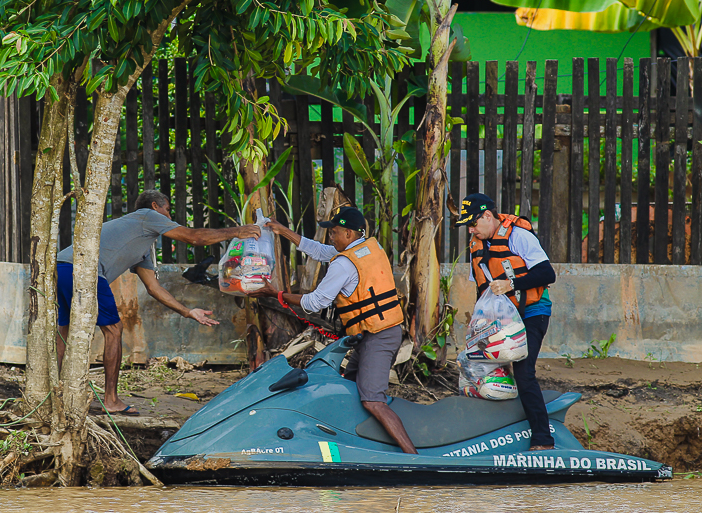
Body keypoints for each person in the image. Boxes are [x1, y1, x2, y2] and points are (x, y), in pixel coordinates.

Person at [56, 189, 260, 416]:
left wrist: (188, 312)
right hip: (85, 270)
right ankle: (111, 400)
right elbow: (195, 237)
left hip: (62, 266)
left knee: (63, 330)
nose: (170, 218)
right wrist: (237, 231)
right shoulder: (146, 216)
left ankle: (54, 392)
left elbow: (154, 288)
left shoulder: (142, 243)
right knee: (114, 330)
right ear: (155, 206)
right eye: (168, 211)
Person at [253, 206, 418, 454]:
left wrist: (276, 294)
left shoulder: (343, 265)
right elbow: (319, 251)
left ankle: (412, 457)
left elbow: (316, 302)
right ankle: (355, 444)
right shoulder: (368, 248)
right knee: (348, 388)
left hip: (379, 335)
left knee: (372, 400)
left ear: (349, 234)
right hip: (374, 331)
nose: (331, 237)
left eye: (335, 232)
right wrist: (283, 231)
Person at [454, 192, 557, 451]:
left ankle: (543, 440)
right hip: (501, 318)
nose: (471, 231)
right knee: (476, 367)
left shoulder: (519, 236)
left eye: (473, 224)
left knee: (524, 371)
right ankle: (490, 437)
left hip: (533, 312)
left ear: (488, 216)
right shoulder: (476, 247)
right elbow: (482, 291)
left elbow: (547, 273)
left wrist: (511, 283)